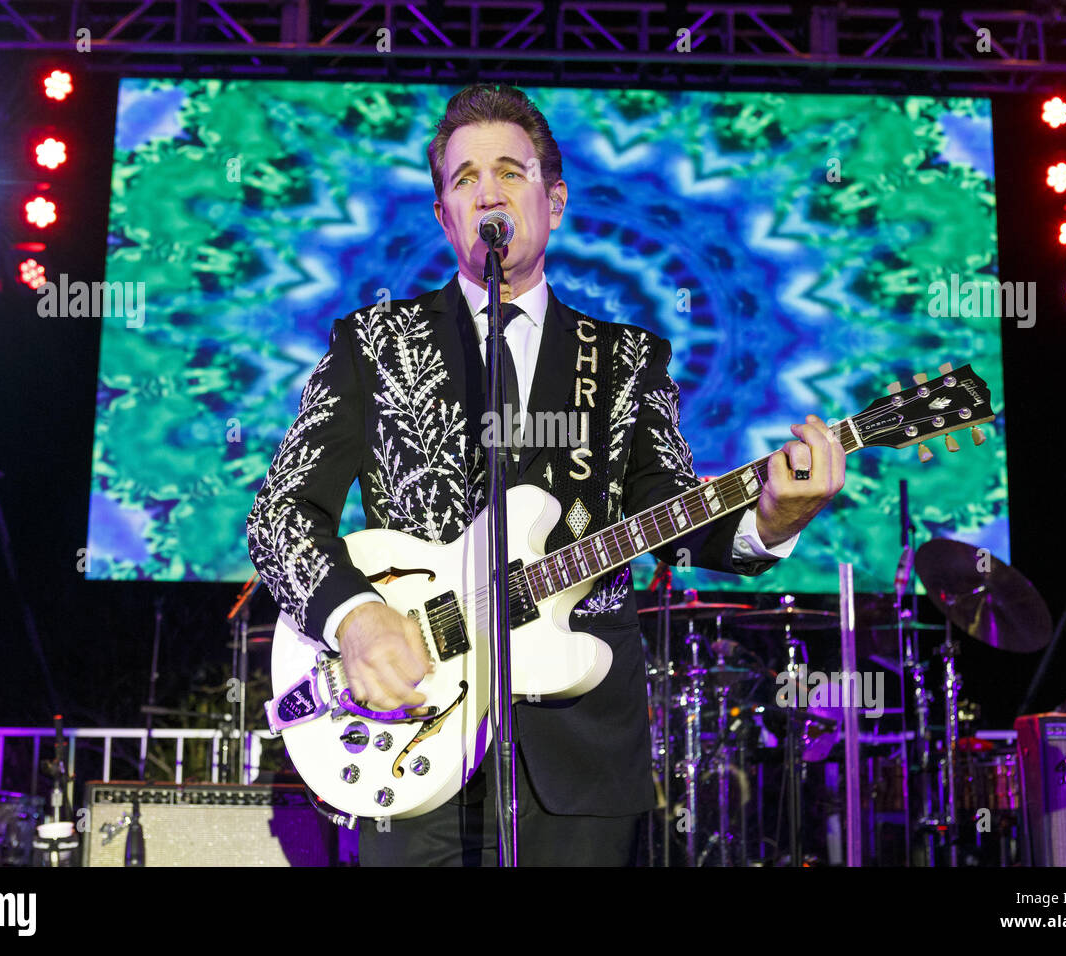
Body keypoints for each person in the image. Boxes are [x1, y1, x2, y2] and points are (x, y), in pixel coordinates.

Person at [246, 84, 846, 865]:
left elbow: (668, 508)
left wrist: (771, 521)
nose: (486, 191)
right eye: (463, 179)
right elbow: (282, 513)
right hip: (410, 732)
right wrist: (355, 618)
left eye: (509, 171)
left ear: (553, 201)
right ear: (443, 215)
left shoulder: (628, 360)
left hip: (581, 756)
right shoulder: (374, 344)